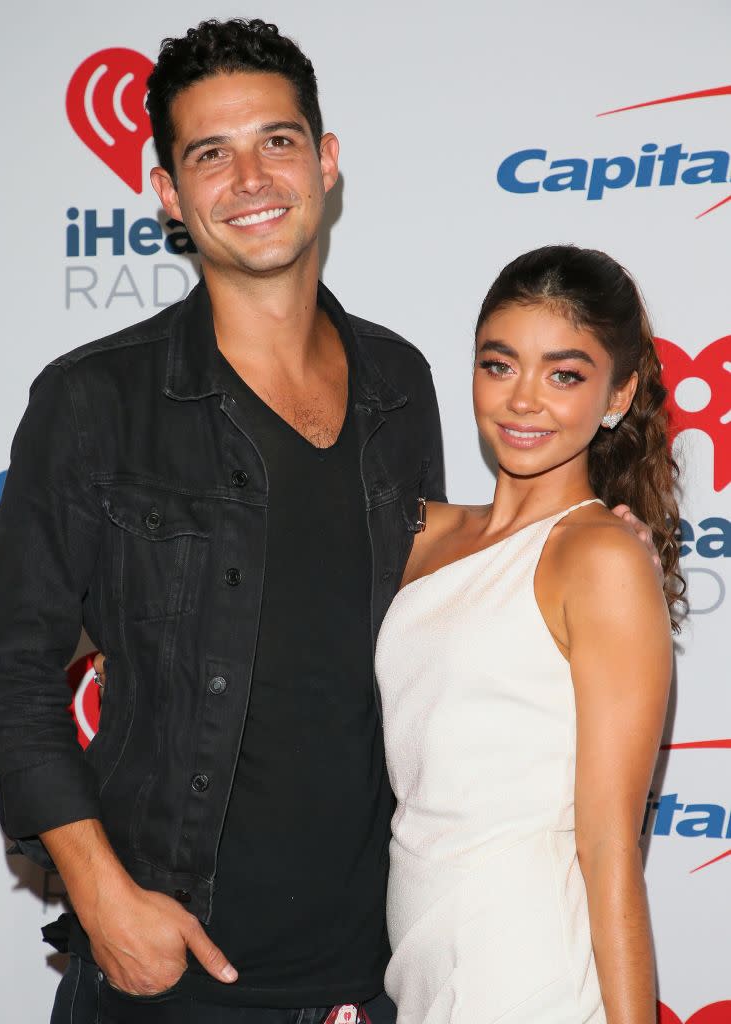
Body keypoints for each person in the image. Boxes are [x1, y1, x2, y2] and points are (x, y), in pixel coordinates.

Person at [0, 19, 657, 1024]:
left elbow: (407, 565)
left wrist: (594, 540)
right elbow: (13, 672)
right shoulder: (94, 402)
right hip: (170, 971)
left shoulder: (396, 385)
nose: (249, 177)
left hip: (373, 976)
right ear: (168, 191)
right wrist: (101, 893)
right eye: (211, 153)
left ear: (326, 162)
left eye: (277, 141)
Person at [375, 245, 682, 1024]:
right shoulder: (419, 533)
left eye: (564, 374)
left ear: (618, 394)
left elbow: (611, 843)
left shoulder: (602, 557)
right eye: (499, 365)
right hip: (418, 952)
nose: (522, 401)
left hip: (525, 959)